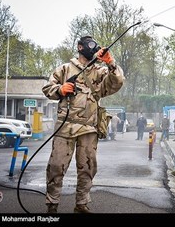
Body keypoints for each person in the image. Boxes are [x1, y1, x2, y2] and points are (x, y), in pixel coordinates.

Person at [41, 36, 124, 213]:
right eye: (89, 44)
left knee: (87, 167)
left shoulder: (101, 72)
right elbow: (48, 89)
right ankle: (52, 204)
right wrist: (60, 89)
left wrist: (111, 63)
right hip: (65, 127)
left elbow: (117, 82)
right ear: (80, 47)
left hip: (88, 128)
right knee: (56, 166)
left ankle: (81, 204)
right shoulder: (64, 69)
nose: (92, 48)